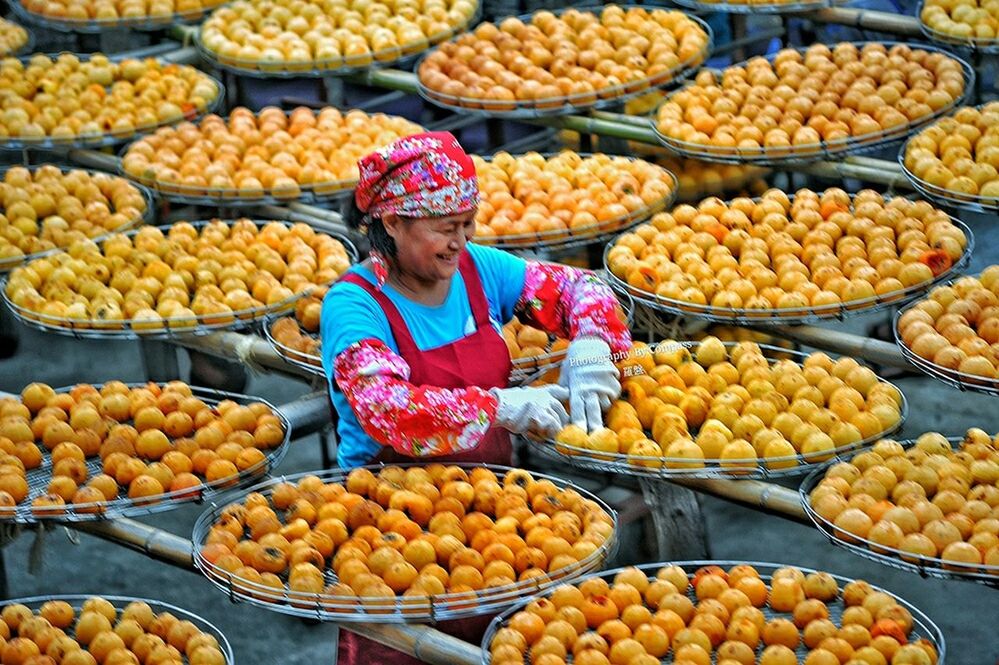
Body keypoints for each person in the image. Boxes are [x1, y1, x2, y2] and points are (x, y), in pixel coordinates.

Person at [320, 131, 632, 664]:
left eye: (467, 225)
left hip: (492, 515)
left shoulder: (476, 271)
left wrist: (591, 343)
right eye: (445, 229)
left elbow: (584, 288)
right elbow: (387, 410)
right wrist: (500, 407)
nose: (458, 242)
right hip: (392, 529)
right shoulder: (353, 305)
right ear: (391, 224)